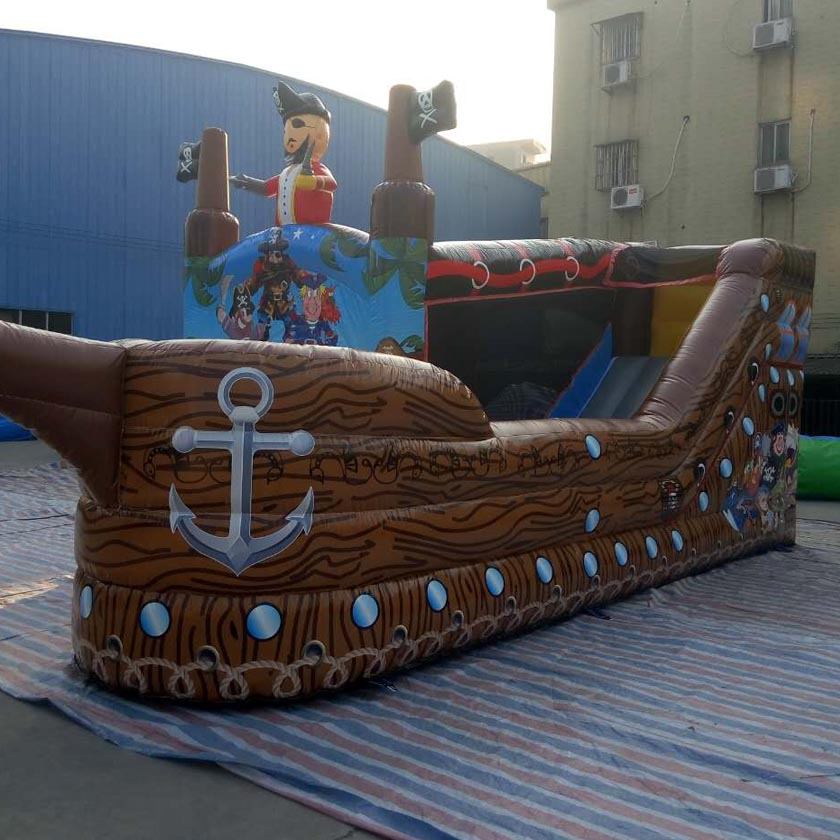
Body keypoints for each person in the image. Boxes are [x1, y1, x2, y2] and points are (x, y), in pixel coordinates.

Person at [230, 82, 337, 226]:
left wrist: (313, 182)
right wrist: (246, 182)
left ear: (320, 135)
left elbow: (332, 184)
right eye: (286, 131)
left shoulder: (316, 169)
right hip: (284, 232)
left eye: (298, 125)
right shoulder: (286, 174)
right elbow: (267, 188)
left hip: (311, 231)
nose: (289, 136)